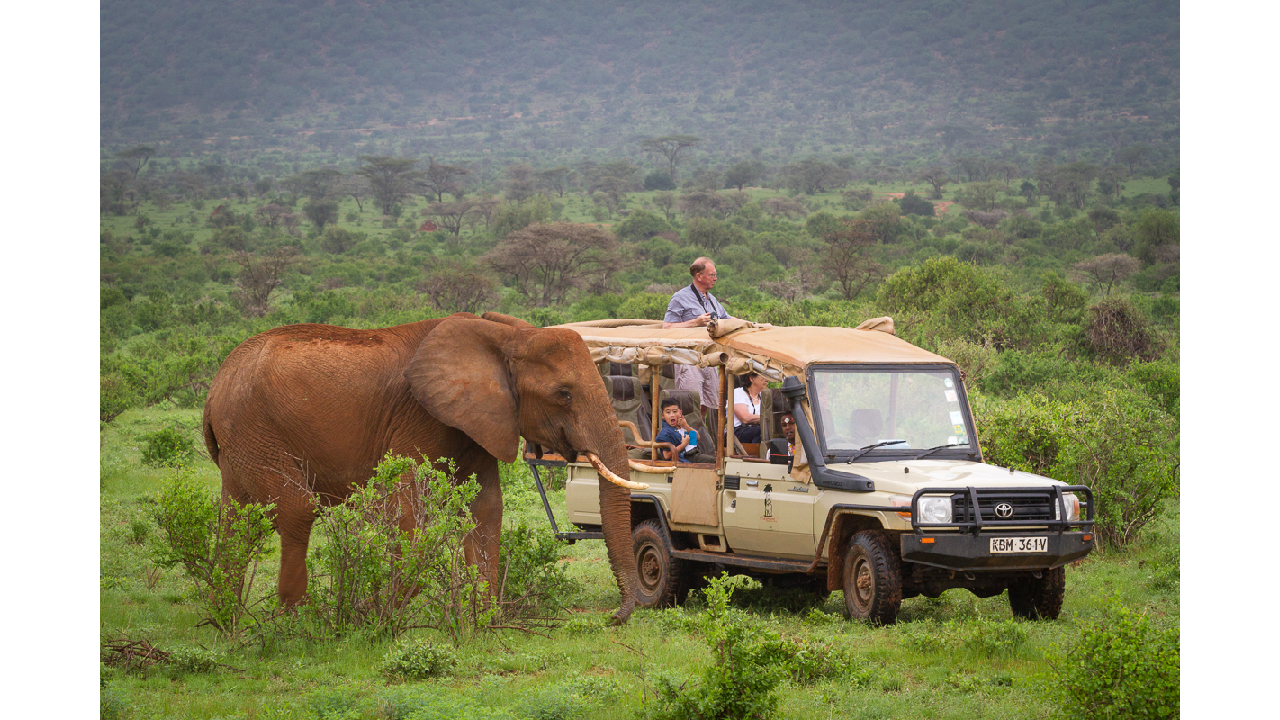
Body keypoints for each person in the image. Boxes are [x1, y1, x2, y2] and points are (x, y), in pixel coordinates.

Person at [663, 257, 733, 422]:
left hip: (709, 358)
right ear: (699, 276)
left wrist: (751, 325)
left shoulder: (712, 299)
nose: (715, 279)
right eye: (712, 275)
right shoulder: (680, 297)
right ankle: (688, 444)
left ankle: (698, 440)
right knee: (689, 407)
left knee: (707, 406)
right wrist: (695, 322)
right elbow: (666, 327)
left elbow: (728, 320)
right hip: (689, 359)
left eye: (715, 275)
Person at [655, 399, 715, 464]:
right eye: (668, 412)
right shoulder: (665, 433)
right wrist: (683, 445)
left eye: (675, 411)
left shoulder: (683, 425)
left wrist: (686, 427)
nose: (672, 415)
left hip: (695, 454)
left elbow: (697, 438)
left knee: (717, 461)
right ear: (663, 415)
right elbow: (666, 456)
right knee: (715, 462)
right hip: (684, 457)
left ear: (680, 413)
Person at [733, 371, 767, 444]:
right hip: (737, 432)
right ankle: (757, 454)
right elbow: (745, 418)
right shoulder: (738, 393)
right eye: (763, 376)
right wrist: (767, 418)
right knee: (760, 431)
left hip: (756, 430)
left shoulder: (763, 396)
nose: (767, 379)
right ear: (752, 378)